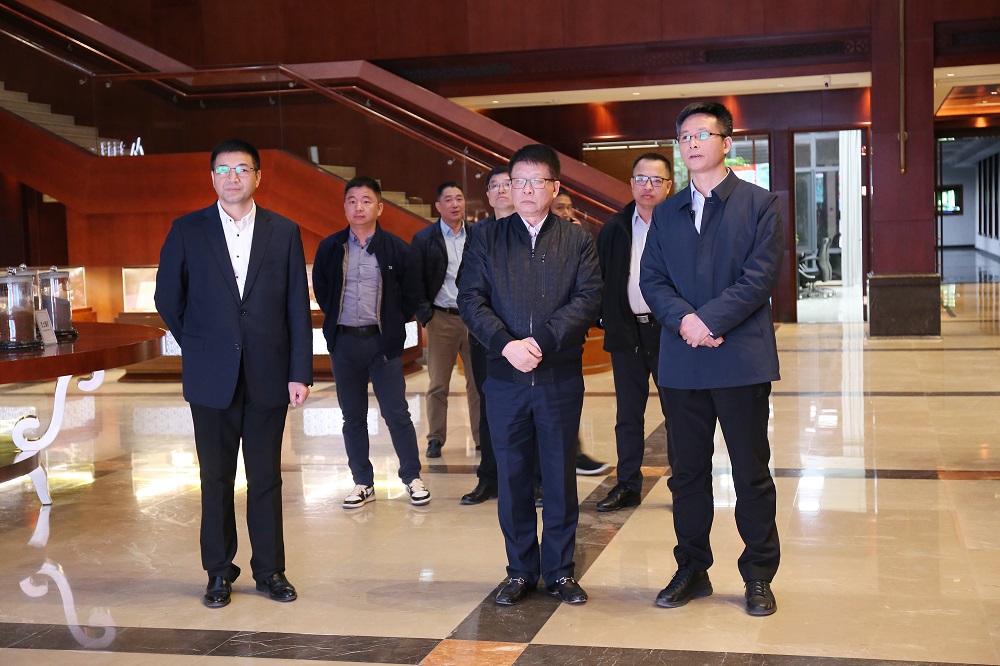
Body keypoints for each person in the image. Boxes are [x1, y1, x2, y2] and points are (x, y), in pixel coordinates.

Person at [640, 102, 784, 616]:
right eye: (684, 136)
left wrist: (709, 321)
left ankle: (758, 574)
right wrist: (685, 321)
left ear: (727, 143)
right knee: (687, 474)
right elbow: (652, 279)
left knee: (750, 472)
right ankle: (692, 568)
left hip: (740, 359)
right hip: (683, 362)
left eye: (702, 134)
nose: (692, 143)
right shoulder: (667, 213)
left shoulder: (760, 204)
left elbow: (759, 277)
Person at [154, 138, 312, 609]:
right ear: (212, 177)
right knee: (215, 479)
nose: (232, 178)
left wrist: (299, 372)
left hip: (269, 374)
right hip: (211, 376)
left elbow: (296, 306)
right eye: (223, 170)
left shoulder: (284, 231)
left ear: (258, 176)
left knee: (266, 478)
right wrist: (200, 344)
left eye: (242, 169)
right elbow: (168, 298)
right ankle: (218, 572)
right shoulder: (187, 229)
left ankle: (270, 571)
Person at [458, 144, 602, 606]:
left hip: (558, 377)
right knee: (513, 478)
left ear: (554, 187)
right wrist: (506, 344)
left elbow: (588, 298)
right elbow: (470, 299)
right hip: (505, 379)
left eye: (535, 181)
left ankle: (559, 572)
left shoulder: (577, 239)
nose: (523, 189)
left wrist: (540, 342)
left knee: (559, 477)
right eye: (516, 181)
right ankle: (520, 571)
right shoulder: (486, 237)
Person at [312, 176, 430, 509]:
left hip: (383, 345)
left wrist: (392, 323)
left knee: (397, 413)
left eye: (366, 201)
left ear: (379, 208)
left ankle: (412, 477)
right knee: (352, 417)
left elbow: (411, 294)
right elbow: (323, 289)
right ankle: (362, 482)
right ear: (344, 207)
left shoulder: (397, 248)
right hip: (345, 343)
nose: (358, 207)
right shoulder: (331, 247)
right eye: (352, 201)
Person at [594, 153, 674, 512]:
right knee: (628, 415)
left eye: (656, 180)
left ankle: (684, 484)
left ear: (668, 186)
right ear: (631, 184)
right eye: (641, 179)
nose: (648, 186)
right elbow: (599, 278)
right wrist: (604, 318)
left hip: (670, 333)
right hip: (627, 331)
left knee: (678, 412)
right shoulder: (615, 227)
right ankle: (627, 484)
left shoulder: (680, 226)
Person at [411, 182, 481, 459]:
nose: (455, 204)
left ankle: (482, 438)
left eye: (459, 198)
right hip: (441, 318)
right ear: (438, 206)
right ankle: (435, 438)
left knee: (478, 384)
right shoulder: (424, 238)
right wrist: (427, 317)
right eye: (448, 199)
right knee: (438, 384)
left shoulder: (477, 235)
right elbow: (414, 281)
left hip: (474, 319)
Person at [548, 192, 612, 477]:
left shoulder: (578, 238)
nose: (566, 212)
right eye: (559, 207)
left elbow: (588, 282)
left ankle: (573, 454)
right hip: (541, 332)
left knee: (567, 398)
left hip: (569, 330)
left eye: (569, 207)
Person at [459, 166, 512, 505]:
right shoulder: (479, 233)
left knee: (531, 411)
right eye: (495, 186)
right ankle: (489, 478)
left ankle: (534, 479)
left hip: (527, 338)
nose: (502, 190)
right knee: (489, 409)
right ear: (489, 195)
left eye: (508, 184)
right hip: (486, 337)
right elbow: (465, 283)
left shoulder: (534, 228)